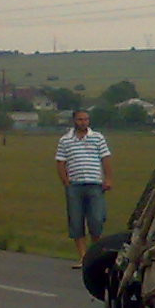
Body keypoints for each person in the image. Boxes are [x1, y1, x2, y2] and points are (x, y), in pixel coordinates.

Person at [56, 110, 113, 265]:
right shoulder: (65, 140)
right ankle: (83, 256)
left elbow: (105, 158)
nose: (83, 122)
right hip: (75, 185)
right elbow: (60, 162)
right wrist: (66, 182)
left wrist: (108, 178)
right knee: (76, 221)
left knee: (96, 219)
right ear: (74, 121)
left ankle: (95, 253)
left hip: (94, 183)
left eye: (86, 119)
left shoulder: (97, 137)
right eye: (80, 119)